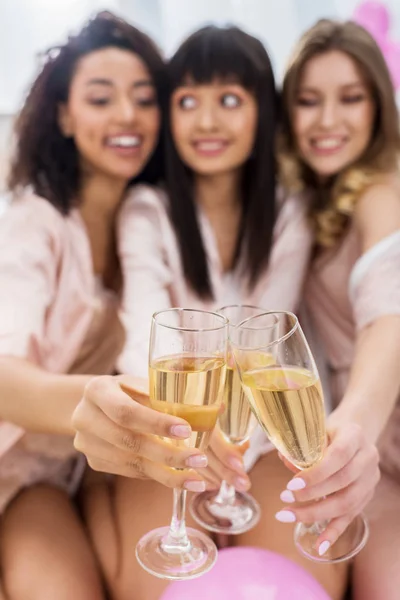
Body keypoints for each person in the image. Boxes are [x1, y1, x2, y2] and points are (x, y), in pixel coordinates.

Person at [85, 25, 354, 600]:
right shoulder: (147, 209)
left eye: (230, 100)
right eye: (188, 102)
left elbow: (266, 341)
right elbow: (145, 339)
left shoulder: (290, 214)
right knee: (160, 578)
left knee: (300, 576)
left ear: (263, 113)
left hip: (263, 431)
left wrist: (232, 459)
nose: (207, 122)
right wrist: (191, 439)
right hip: (170, 423)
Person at [0, 12, 209, 600]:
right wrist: (95, 404)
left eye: (144, 99)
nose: (126, 116)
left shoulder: (155, 222)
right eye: (100, 98)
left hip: (99, 465)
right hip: (20, 473)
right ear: (64, 116)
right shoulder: (34, 222)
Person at [275, 19, 400, 599]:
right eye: (308, 101)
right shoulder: (303, 205)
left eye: (350, 98)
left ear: (378, 105)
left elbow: (389, 316)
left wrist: (353, 429)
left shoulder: (382, 191)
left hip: (369, 435)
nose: (328, 121)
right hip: (372, 457)